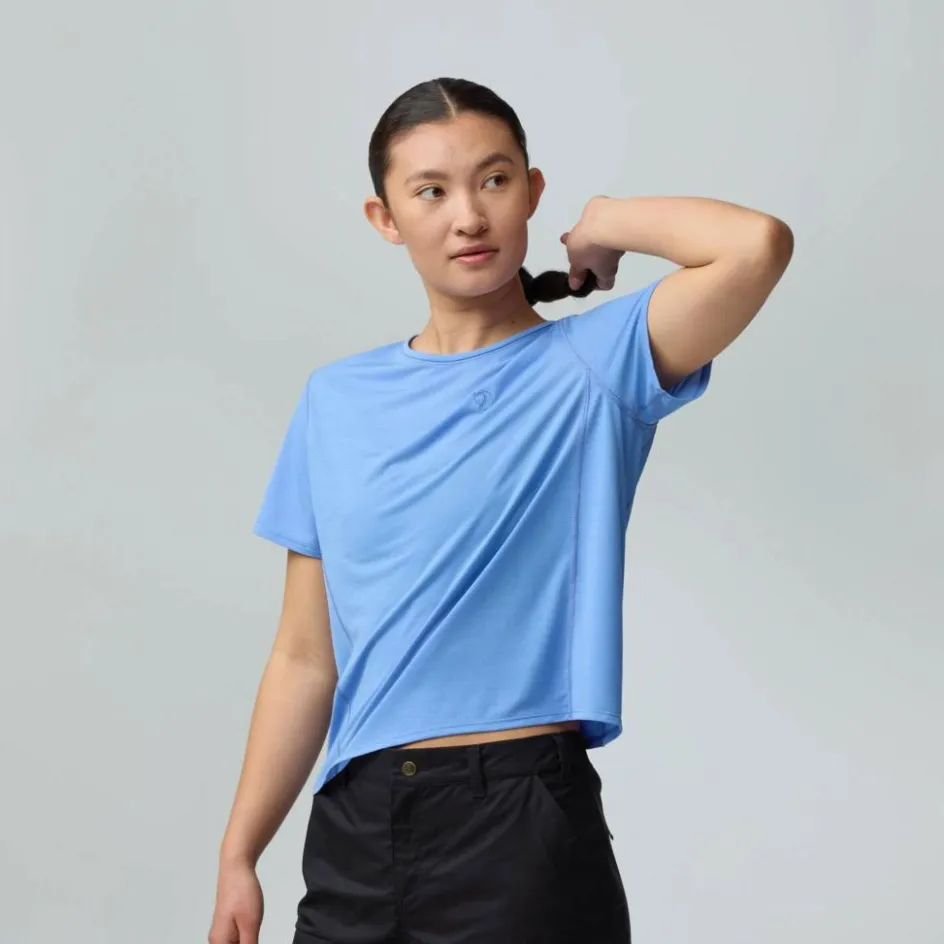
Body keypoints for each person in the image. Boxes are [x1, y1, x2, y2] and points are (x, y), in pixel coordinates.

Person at [208, 77, 793, 944]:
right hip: (358, 830)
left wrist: (604, 222)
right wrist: (240, 851)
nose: (469, 217)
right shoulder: (335, 401)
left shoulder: (594, 366)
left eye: (494, 180)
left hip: (518, 828)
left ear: (530, 191)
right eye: (431, 192)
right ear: (385, 219)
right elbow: (303, 657)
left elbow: (755, 245)